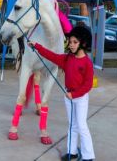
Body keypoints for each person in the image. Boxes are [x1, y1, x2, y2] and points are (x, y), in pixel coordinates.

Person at [28, 26, 95, 161]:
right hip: (68, 96)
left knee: (81, 125)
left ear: (84, 43)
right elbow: (52, 56)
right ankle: (72, 151)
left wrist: (75, 95)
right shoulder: (67, 59)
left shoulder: (87, 63)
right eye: (70, 42)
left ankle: (89, 156)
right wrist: (37, 47)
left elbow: (88, 85)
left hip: (80, 98)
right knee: (72, 125)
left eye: (75, 42)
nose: (71, 45)